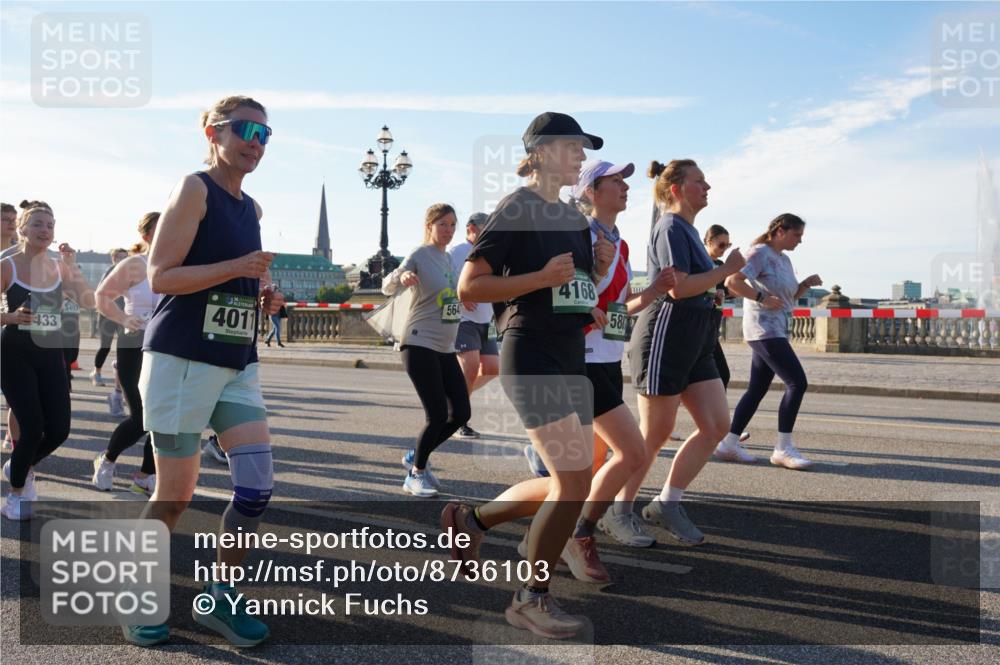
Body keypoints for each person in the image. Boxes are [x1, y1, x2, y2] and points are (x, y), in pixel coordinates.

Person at [442, 112, 613, 639]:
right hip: (531, 352)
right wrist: (541, 277)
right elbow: (471, 286)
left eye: (583, 148)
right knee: (572, 480)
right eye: (572, 146)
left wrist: (597, 276)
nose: (580, 156)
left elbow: (569, 289)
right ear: (540, 152)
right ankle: (529, 599)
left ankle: (471, 522)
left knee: (570, 479)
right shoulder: (517, 206)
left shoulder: (573, 216)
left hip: (568, 353)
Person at [130, 95, 283, 647]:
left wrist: (262, 293)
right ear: (212, 133)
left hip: (236, 361)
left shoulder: (252, 208)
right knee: (175, 495)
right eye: (245, 129)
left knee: (256, 487)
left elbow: (234, 278)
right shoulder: (194, 189)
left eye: (266, 134)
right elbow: (163, 275)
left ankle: (220, 597)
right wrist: (237, 269)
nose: (256, 142)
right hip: (182, 359)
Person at [622, 159, 746, 547]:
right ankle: (616, 510)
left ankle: (667, 503)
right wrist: (726, 271)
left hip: (697, 341)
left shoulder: (688, 229)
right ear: (676, 189)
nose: (707, 186)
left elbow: (696, 284)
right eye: (699, 181)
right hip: (665, 337)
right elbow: (677, 288)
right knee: (654, 435)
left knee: (716, 426)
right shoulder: (671, 225)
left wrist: (715, 287)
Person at [1, 201, 96, 520]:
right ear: (23, 229)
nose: (45, 230)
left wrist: (74, 265)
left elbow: (89, 302)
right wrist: (11, 317)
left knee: (59, 430)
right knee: (31, 427)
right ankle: (14, 495)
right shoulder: (8, 265)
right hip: (14, 352)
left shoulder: (58, 268)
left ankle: (19, 466)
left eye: (50, 226)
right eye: (39, 224)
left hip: (50, 350)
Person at [718, 213, 821, 470]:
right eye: (796, 235)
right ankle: (782, 448)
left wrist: (805, 285)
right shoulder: (759, 253)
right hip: (762, 329)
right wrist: (761, 297)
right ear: (780, 231)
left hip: (777, 329)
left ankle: (729, 443)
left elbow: (788, 297)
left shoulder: (784, 259)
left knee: (757, 389)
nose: (799, 241)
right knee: (797, 382)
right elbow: (732, 282)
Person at [384, 204, 470, 497]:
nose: (448, 230)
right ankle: (416, 474)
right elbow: (387, 284)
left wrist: (463, 301)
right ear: (430, 225)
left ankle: (416, 455)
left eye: (452, 225)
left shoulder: (447, 259)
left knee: (460, 413)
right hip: (419, 342)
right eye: (443, 224)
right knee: (436, 414)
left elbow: (446, 297)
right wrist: (402, 277)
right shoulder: (420, 254)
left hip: (445, 347)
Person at [91, 214, 162, 495]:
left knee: (164, 416)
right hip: (135, 342)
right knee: (142, 416)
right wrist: (124, 319)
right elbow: (102, 296)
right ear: (146, 236)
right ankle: (106, 459)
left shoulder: (181, 264)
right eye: (162, 228)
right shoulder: (135, 264)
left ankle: (145, 474)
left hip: (169, 347)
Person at [703, 224, 753, 463]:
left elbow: (728, 289)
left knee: (720, 376)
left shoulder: (720, 267)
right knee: (717, 376)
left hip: (710, 332)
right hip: (697, 332)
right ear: (708, 241)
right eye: (720, 244)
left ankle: (720, 430)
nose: (724, 249)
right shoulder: (702, 263)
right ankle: (719, 431)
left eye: (728, 245)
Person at [448, 211, 500, 439]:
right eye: (485, 228)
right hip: (463, 319)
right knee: (469, 367)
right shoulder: (457, 252)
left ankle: (454, 397)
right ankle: (460, 419)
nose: (489, 232)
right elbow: (443, 280)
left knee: (491, 369)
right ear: (471, 228)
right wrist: (459, 295)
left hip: (486, 320)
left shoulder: (491, 252)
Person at [91, 248, 129, 386]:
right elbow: (100, 294)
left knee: (123, 346)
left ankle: (121, 374)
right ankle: (97, 372)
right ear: (113, 259)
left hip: (123, 315)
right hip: (107, 314)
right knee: (105, 346)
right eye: (120, 257)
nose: (123, 260)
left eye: (126, 257)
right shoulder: (110, 272)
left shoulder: (130, 273)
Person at [1, 202, 20, 452]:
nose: (11, 223)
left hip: (10, 333)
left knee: (16, 394)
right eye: (6, 219)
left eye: (14, 219)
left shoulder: (19, 254)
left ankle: (14, 439)